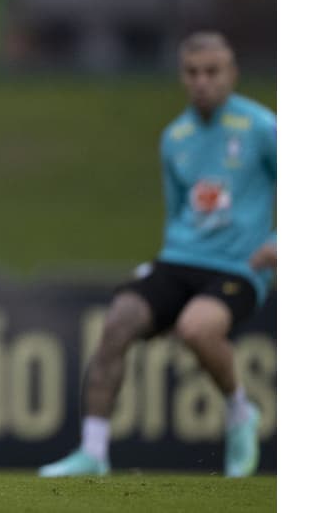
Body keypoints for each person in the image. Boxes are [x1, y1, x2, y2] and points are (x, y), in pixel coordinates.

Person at [39, 31, 276, 478]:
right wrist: (158, 265)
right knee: (116, 323)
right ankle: (93, 453)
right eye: (192, 72)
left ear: (232, 74)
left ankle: (242, 414)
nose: (202, 81)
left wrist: (278, 244)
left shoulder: (261, 128)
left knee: (196, 329)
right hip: (180, 260)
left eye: (212, 72)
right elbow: (180, 214)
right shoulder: (175, 138)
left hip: (237, 267)